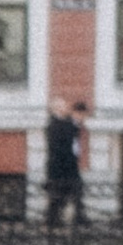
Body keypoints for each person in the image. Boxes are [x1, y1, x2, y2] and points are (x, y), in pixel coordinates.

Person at [43, 98, 84, 237]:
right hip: (60, 168)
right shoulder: (55, 124)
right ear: (56, 108)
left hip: (68, 167)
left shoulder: (64, 122)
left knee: (73, 193)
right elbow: (61, 146)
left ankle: (72, 220)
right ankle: (53, 225)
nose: (66, 108)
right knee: (58, 197)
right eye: (63, 106)